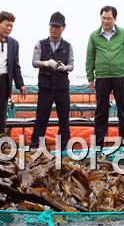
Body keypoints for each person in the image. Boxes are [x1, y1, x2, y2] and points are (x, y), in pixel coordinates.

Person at [86, 6, 124, 148]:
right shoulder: (94, 36)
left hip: (120, 76)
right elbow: (90, 57)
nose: (105, 21)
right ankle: (98, 144)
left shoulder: (123, 34)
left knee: (123, 110)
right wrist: (90, 77)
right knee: (101, 111)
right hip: (102, 77)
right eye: (103, 17)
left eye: (109, 18)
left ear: (115, 19)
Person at [30, 12, 74, 151]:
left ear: (63, 28)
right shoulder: (40, 44)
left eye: (57, 27)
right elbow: (34, 62)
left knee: (64, 120)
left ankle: (64, 148)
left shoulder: (68, 46)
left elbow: (71, 65)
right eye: (52, 26)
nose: (54, 29)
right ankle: (35, 145)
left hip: (62, 88)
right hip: (45, 88)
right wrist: (46, 63)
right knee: (41, 118)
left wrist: (64, 67)